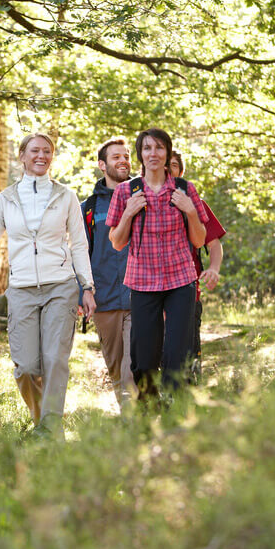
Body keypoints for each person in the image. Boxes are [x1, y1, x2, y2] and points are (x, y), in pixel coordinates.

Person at [0, 132, 96, 439]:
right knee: (25, 367)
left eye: (47, 151)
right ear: (22, 156)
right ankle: (42, 423)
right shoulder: (6, 199)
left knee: (54, 359)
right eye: (34, 150)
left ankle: (49, 429)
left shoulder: (65, 196)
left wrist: (86, 286)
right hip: (21, 289)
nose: (41, 155)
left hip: (60, 286)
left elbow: (78, 245)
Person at [107, 128, 207, 399]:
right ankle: (149, 409)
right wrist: (128, 213)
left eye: (159, 148)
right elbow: (116, 241)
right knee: (145, 358)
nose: (153, 153)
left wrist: (190, 211)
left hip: (181, 282)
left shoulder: (185, 190)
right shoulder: (127, 191)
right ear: (140, 153)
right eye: (147, 148)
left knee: (177, 353)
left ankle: (175, 415)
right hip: (142, 282)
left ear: (167, 153)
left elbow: (199, 240)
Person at [81, 138, 138, 408]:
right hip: (105, 301)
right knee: (116, 369)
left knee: (133, 368)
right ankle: (132, 422)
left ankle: (136, 425)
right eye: (116, 157)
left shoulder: (146, 196)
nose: (123, 160)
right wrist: (83, 291)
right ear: (102, 164)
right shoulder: (88, 209)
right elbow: (79, 254)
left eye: (126, 155)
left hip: (142, 296)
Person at [169, 152, 226, 382]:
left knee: (189, 358)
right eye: (165, 165)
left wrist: (214, 268)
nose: (168, 169)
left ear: (181, 172)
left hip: (188, 292)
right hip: (151, 292)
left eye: (173, 165)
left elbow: (214, 245)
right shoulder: (142, 203)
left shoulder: (196, 204)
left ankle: (190, 406)